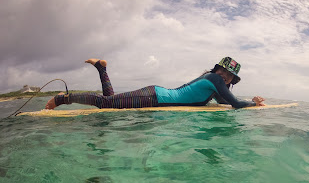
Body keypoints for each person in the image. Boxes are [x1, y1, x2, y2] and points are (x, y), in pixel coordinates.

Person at [45, 57, 265, 110]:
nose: (225, 77)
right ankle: (62, 99)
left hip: (156, 94)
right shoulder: (215, 79)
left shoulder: (214, 84)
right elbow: (235, 104)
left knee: (109, 104)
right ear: (217, 69)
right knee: (106, 104)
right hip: (154, 97)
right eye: (224, 72)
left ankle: (102, 68)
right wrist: (254, 105)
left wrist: (240, 103)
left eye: (230, 77)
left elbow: (225, 102)